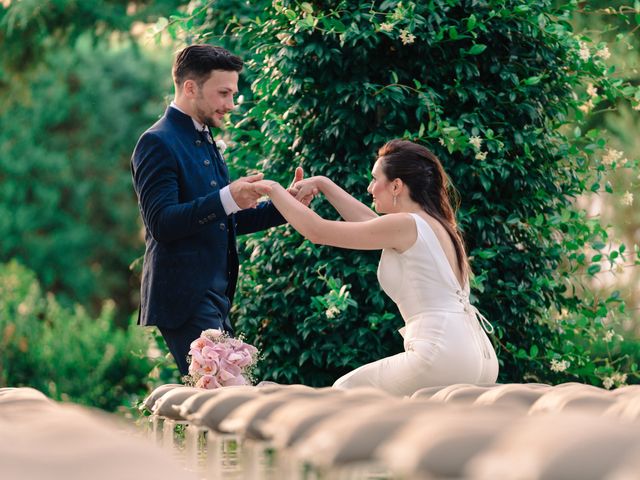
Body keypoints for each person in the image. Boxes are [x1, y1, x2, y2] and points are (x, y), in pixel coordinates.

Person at [256, 139, 499, 396]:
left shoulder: (407, 224)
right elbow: (368, 222)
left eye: (375, 179)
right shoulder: (438, 226)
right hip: (479, 355)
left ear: (396, 185)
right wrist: (323, 184)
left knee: (346, 391)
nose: (370, 188)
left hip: (442, 352)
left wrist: (273, 189)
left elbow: (317, 231)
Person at [131, 44, 308, 375]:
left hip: (216, 298)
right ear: (190, 87)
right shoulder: (156, 142)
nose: (230, 104)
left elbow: (224, 221)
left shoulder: (206, 139)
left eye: (233, 94)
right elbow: (161, 223)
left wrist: (286, 207)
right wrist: (228, 197)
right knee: (227, 400)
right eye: (223, 93)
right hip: (185, 300)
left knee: (223, 406)